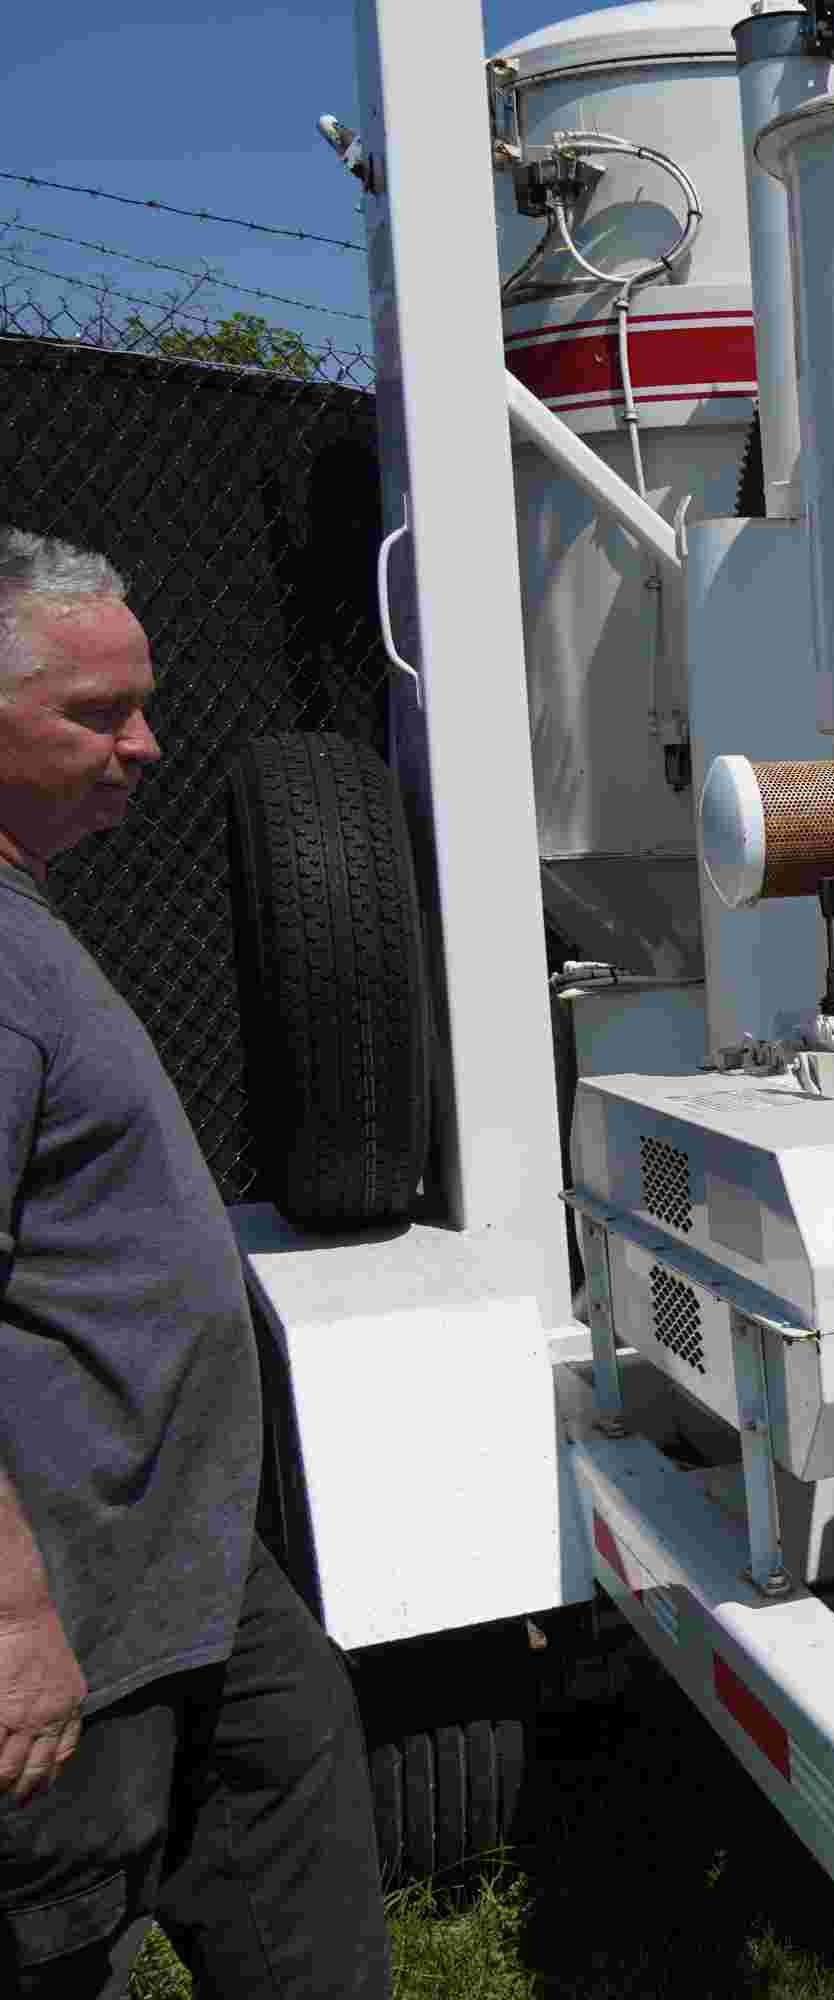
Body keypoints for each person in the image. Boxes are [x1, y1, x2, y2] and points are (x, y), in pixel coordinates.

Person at [0, 529, 389, 1998]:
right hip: (68, 1619)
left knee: (300, 1816)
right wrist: (17, 1623)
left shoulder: (29, 919)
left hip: (190, 1571)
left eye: (142, 702)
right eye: (97, 713)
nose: (148, 744)